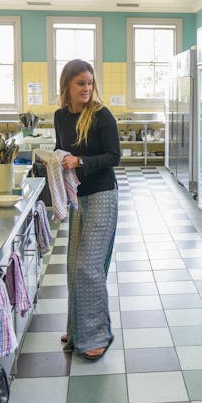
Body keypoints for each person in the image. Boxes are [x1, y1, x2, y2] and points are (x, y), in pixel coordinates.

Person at [55, 59, 120, 360]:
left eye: (90, 83)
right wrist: (55, 160)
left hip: (103, 195)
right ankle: (78, 328)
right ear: (67, 84)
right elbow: (61, 149)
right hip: (78, 197)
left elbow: (114, 157)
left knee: (88, 266)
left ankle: (96, 335)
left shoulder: (101, 115)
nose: (87, 88)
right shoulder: (60, 117)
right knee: (72, 267)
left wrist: (80, 162)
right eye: (81, 83)